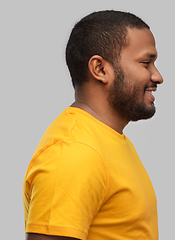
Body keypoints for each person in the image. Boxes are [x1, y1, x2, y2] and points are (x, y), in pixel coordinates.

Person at [23, 10, 163, 240]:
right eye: (145, 63)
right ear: (100, 69)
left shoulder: (106, 141)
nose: (157, 76)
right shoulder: (73, 151)